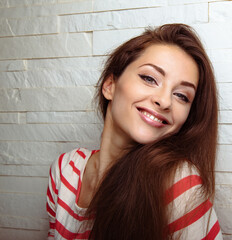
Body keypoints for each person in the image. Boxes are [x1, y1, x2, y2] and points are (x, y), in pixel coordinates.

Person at [46, 23, 222, 240]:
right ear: (110, 85)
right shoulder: (66, 170)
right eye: (149, 78)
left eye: (181, 96)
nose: (165, 101)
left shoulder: (180, 185)